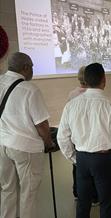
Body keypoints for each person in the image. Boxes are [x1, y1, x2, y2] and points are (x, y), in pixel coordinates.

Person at [57, 63, 111, 218]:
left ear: (85, 80)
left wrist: (74, 157)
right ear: (104, 80)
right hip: (104, 160)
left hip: (82, 158)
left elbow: (62, 137)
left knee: (82, 204)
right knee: (106, 204)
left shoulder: (71, 105)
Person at [0, 52, 55, 218]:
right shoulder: (30, 89)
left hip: (2, 144)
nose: (33, 71)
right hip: (26, 148)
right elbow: (42, 125)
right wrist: (49, 142)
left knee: (7, 188)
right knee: (28, 193)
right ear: (25, 67)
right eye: (32, 67)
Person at [67, 66, 98, 205]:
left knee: (77, 166)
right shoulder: (95, 95)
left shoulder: (72, 94)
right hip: (92, 135)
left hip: (76, 135)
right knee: (93, 167)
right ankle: (93, 196)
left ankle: (77, 192)